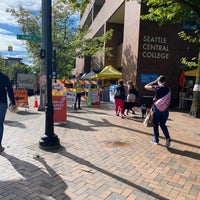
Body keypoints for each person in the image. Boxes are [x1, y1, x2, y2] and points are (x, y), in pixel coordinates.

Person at [144, 75, 171, 148]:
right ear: (165, 81)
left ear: (159, 81)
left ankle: (156, 140)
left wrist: (154, 81)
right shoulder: (168, 89)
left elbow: (146, 86)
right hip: (165, 110)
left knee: (155, 125)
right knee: (163, 125)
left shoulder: (157, 87)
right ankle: (167, 138)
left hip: (156, 109)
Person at [0, 72, 16, 152]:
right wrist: (12, 102)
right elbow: (10, 90)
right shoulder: (4, 77)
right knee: (0, 124)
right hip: (2, 103)